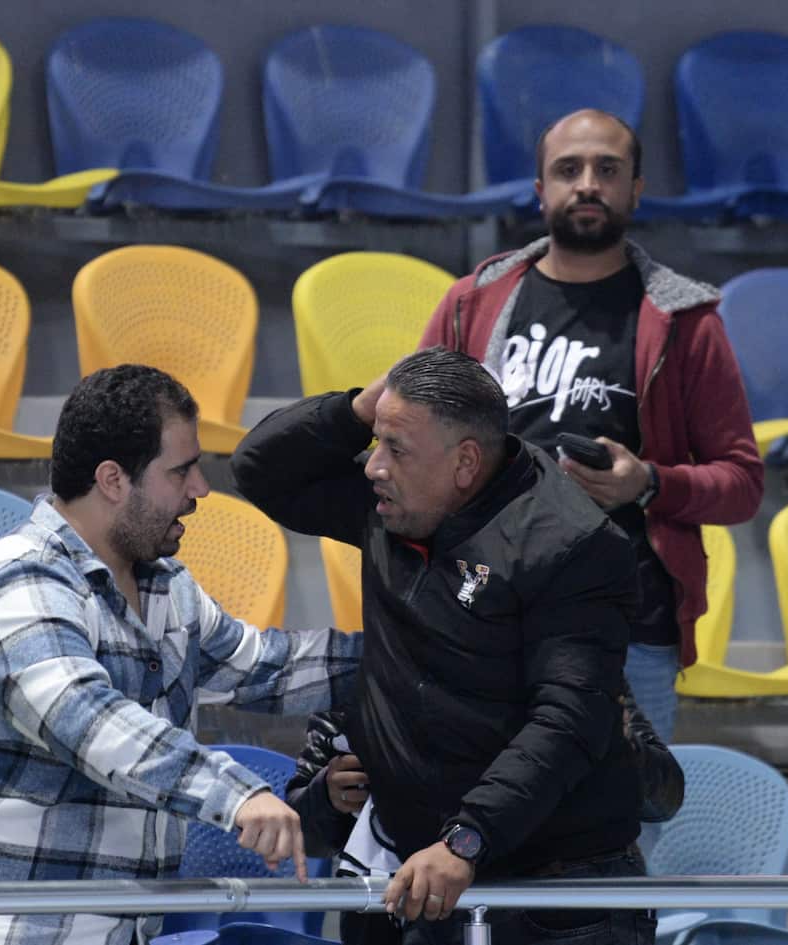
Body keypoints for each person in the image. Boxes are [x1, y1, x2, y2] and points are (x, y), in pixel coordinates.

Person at [0, 364, 363, 945]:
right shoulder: (17, 576)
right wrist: (236, 792)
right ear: (112, 479)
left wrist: (412, 648)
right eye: (181, 470)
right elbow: (85, 718)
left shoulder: (167, 587)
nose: (200, 489)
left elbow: (267, 667)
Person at [232, 348, 650, 945]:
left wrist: (468, 836)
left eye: (394, 449)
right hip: (422, 874)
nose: (374, 466)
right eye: (375, 442)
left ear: (465, 462)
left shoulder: (573, 545)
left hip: (554, 895)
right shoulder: (393, 499)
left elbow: (568, 719)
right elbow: (259, 469)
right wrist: (358, 409)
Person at [419, 108, 764, 742]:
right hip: (487, 615)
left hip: (628, 627)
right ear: (539, 190)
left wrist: (650, 483)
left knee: (626, 834)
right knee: (477, 824)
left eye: (608, 169)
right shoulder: (471, 303)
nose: (587, 184)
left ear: (635, 188)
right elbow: (413, 447)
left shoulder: (686, 321)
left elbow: (742, 482)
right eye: (568, 169)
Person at [286, 681, 685, 945]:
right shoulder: (359, 681)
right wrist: (328, 796)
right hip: (415, 915)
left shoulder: (577, 670)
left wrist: (618, 750)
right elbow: (303, 837)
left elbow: (663, 799)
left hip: (562, 903)